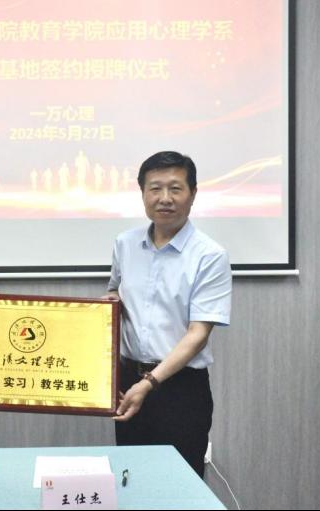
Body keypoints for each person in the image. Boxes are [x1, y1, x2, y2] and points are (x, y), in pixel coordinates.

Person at [105, 151, 232, 477]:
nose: (164, 198)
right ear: (142, 193)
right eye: (155, 188)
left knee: (180, 485)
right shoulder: (125, 244)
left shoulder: (209, 255)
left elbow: (198, 334)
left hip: (181, 390)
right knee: (131, 481)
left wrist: (150, 382)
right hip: (128, 382)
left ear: (193, 194)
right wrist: (107, 306)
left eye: (175, 188)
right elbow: (115, 291)